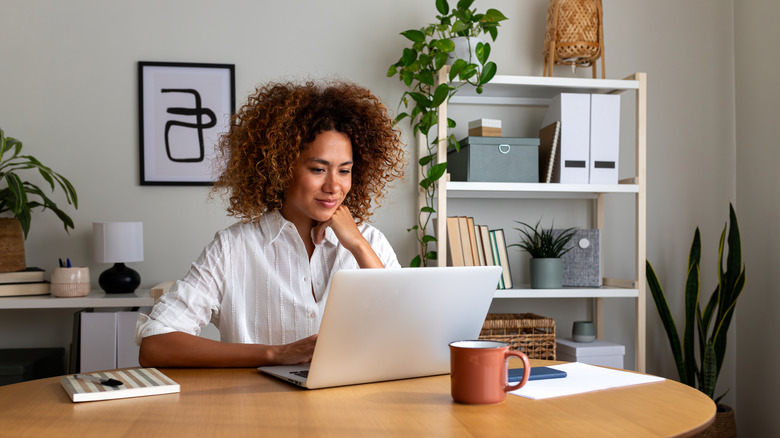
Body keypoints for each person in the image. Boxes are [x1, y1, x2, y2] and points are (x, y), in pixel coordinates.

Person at [135, 79, 406, 368]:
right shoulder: (234, 248)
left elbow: (409, 334)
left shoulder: (370, 242)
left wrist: (358, 246)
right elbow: (156, 344)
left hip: (353, 409)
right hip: (259, 409)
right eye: (317, 169)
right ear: (281, 166)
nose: (334, 186)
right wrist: (275, 354)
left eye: (344, 171)